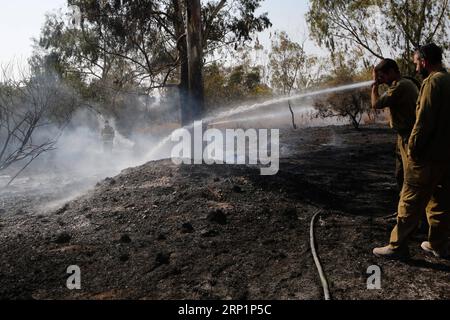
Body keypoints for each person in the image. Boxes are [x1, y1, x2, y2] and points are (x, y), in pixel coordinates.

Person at [373, 43, 450, 259]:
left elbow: (423, 121)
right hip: (446, 156)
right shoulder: (448, 79)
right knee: (440, 202)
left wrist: (413, 149)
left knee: (410, 198)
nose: (416, 68)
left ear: (424, 61)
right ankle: (438, 244)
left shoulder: (432, 82)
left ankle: (397, 247)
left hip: (428, 155)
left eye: (417, 63)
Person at [371, 59, 419, 193]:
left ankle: (413, 209)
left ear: (392, 72)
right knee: (400, 174)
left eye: (382, 76)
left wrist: (374, 84)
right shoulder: (402, 83)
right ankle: (405, 205)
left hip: (408, 137)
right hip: (402, 136)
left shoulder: (400, 86)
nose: (381, 79)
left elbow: (376, 104)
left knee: (410, 176)